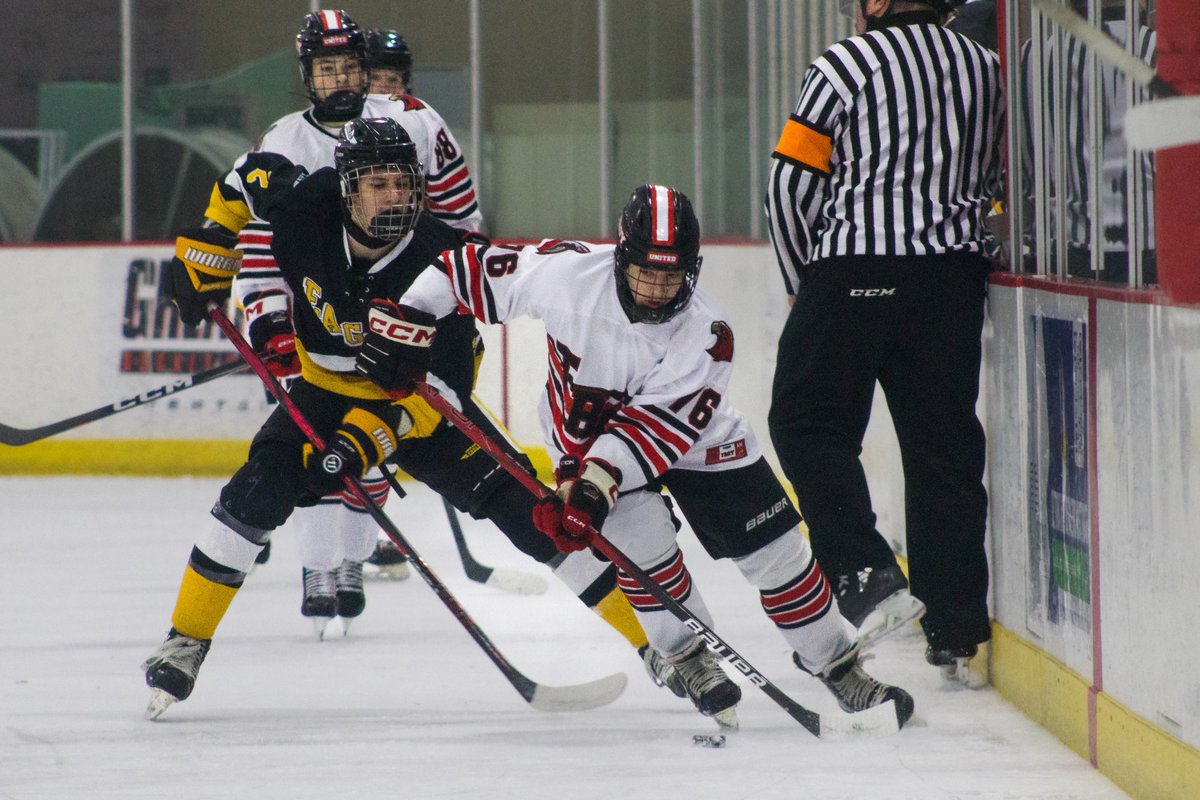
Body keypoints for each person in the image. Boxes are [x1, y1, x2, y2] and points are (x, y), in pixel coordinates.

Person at [144, 119, 669, 718]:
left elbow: (448, 377)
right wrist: (211, 241)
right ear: (345, 189)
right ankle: (186, 640)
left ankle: (660, 647)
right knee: (253, 495)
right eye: (378, 183)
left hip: (419, 404)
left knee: (533, 513)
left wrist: (381, 433)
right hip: (322, 390)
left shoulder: (442, 258)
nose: (394, 196)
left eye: (404, 183)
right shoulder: (302, 205)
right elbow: (246, 177)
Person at [395, 184, 915, 729]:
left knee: (778, 553)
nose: (658, 288)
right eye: (647, 272)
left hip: (698, 442)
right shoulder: (563, 278)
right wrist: (406, 323)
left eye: (672, 274)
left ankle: (838, 664)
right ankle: (688, 657)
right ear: (620, 259)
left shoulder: (708, 336)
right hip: (586, 443)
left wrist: (593, 490)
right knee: (643, 552)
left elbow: (651, 432)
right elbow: (459, 269)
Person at [175, 9, 484, 634]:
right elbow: (262, 244)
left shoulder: (413, 120)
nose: (339, 78)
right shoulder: (283, 138)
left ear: (366, 69)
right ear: (306, 75)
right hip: (311, 315)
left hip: (402, 306)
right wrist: (267, 321)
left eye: (349, 65)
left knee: (378, 435)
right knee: (314, 445)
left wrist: (442, 299)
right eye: (326, 67)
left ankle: (355, 558)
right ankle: (320, 568)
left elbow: (461, 217)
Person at [764, 0, 1004, 680]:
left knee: (806, 422)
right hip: (952, 282)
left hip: (854, 270)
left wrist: (800, 276)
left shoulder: (842, 65)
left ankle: (869, 577)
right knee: (943, 446)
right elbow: (998, 179)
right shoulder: (987, 68)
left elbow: (790, 185)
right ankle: (954, 628)